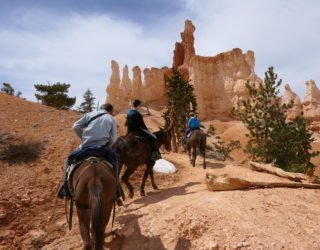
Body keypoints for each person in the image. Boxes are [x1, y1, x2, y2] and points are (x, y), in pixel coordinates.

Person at [58, 103, 123, 205]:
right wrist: (107, 145)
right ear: (110, 111)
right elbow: (113, 138)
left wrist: (83, 138)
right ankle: (117, 190)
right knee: (116, 161)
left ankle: (66, 190)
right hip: (102, 148)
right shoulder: (111, 118)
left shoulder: (89, 114)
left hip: (86, 147)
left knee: (70, 159)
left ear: (100, 109)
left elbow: (75, 127)